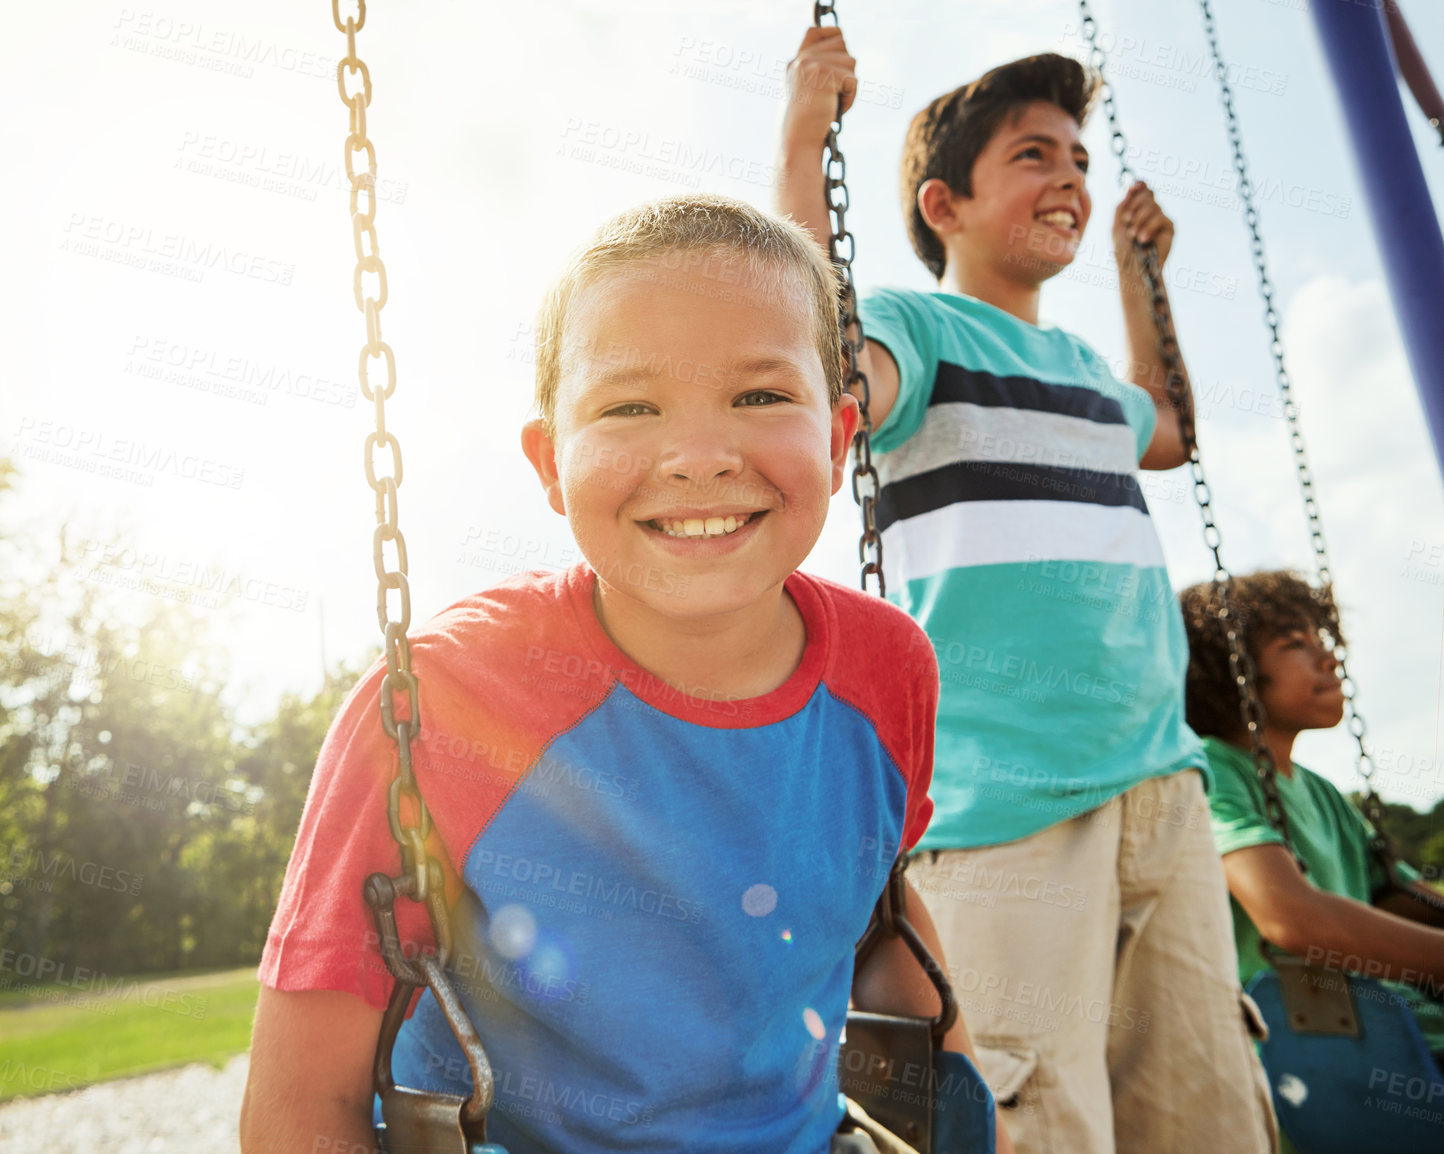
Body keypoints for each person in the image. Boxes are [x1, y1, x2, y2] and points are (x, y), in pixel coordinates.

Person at [238, 193, 1010, 1154]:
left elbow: (879, 910)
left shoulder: (888, 668)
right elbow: (301, 1107)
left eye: (761, 396)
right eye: (628, 407)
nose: (696, 458)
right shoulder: (439, 699)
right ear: (550, 463)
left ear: (839, 436)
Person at [773, 26, 1277, 1154]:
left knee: (1205, 1112)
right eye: (1034, 157)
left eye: (1080, 162)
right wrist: (805, 130)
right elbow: (806, 345)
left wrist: (1138, 275)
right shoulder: (920, 331)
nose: (1069, 179)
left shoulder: (1094, 376)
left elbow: (1171, 426)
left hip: (1161, 782)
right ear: (943, 204)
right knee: (1037, 1117)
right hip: (1006, 797)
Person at [1182, 571, 1444, 1065]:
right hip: (1306, 1045)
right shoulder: (1211, 768)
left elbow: (1395, 896)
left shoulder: (1319, 790)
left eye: (1321, 639)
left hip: (1398, 1028)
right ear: (1229, 666)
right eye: (1294, 643)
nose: (1329, 657)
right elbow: (1289, 918)